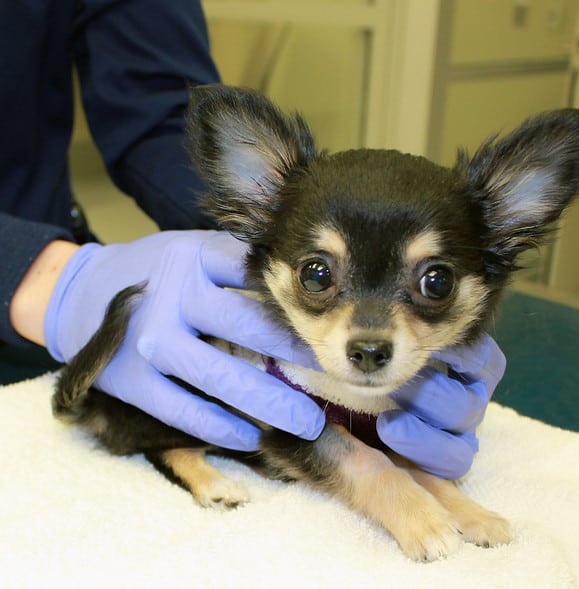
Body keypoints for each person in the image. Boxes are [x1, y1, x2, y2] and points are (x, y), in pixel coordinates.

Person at [0, 0, 505, 479]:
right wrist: (42, 277)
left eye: (433, 282)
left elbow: (159, 109)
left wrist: (276, 226)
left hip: (59, 310)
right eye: (320, 276)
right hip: (60, 293)